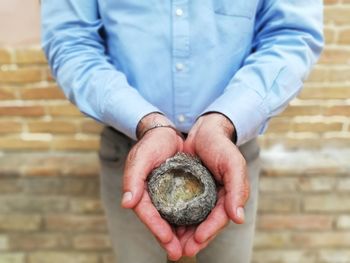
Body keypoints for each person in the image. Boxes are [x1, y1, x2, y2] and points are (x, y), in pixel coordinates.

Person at [41, 1, 323, 262]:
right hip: (129, 153)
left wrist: (223, 121)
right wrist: (147, 122)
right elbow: (71, 42)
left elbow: (291, 34)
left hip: (231, 154)